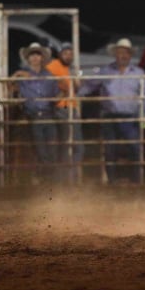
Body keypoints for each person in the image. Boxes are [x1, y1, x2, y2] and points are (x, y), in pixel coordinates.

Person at [77, 38, 145, 184]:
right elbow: (89, 85)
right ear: (116, 54)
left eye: (125, 52)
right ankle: (112, 181)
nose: (123, 55)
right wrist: (76, 93)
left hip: (130, 116)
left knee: (134, 147)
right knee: (110, 149)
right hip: (110, 115)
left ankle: (136, 180)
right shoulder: (105, 71)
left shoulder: (138, 72)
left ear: (130, 55)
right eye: (120, 52)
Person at [14, 42, 60, 184]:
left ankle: (47, 177)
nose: (34, 58)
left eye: (37, 55)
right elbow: (11, 88)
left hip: (47, 113)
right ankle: (45, 177)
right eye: (32, 55)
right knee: (39, 148)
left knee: (50, 148)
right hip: (32, 115)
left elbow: (56, 93)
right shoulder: (22, 75)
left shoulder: (49, 76)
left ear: (41, 58)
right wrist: (17, 76)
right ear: (28, 59)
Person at [45, 42, 84, 184]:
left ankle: (68, 178)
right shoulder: (53, 66)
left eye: (70, 54)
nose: (68, 56)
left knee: (70, 145)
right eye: (66, 53)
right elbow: (54, 84)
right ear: (60, 54)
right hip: (63, 108)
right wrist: (66, 87)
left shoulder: (68, 69)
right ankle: (68, 178)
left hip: (68, 107)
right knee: (72, 145)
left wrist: (70, 87)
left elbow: (71, 87)